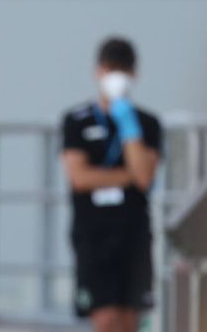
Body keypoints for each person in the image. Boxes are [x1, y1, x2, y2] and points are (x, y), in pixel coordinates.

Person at [61, 37, 162, 332]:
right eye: (110, 68)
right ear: (98, 71)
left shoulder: (146, 123)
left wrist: (127, 122)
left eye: (123, 69)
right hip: (93, 235)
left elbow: (144, 177)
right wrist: (127, 174)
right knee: (105, 319)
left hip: (133, 234)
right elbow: (80, 178)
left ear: (134, 75)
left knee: (130, 320)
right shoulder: (76, 120)